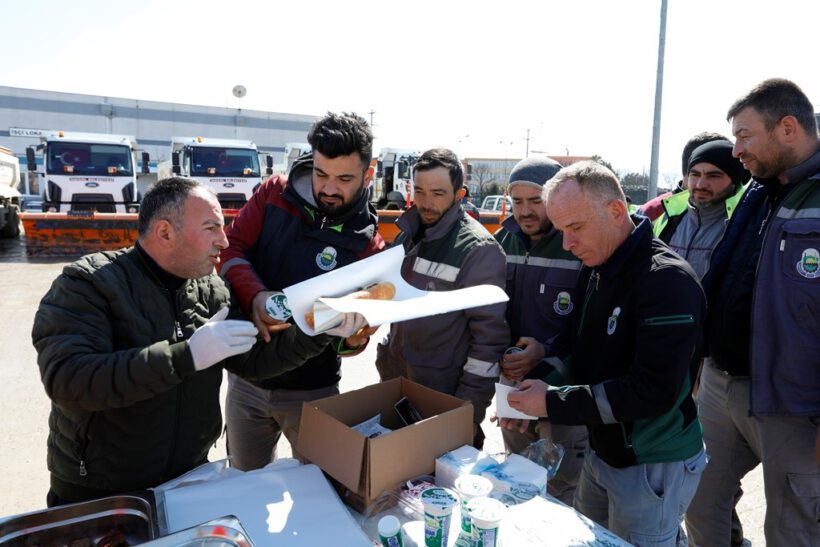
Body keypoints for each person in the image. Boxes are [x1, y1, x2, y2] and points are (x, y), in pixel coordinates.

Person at [31, 177, 339, 506]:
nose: (224, 241)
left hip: (189, 480)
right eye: (212, 228)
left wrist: (318, 329)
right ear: (165, 232)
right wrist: (185, 356)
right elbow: (70, 381)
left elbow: (255, 361)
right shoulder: (88, 285)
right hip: (101, 489)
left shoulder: (211, 290)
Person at [506, 160, 708, 546]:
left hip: (651, 463)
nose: (566, 243)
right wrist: (536, 388)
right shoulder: (597, 264)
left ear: (616, 211)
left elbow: (651, 391)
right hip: (603, 451)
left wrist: (550, 403)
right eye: (561, 229)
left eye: (575, 228)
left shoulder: (666, 281)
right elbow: (576, 346)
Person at [685, 78, 820, 547]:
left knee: (793, 527)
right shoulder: (758, 194)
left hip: (795, 405)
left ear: (787, 127)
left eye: (744, 135)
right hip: (721, 386)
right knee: (698, 502)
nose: (736, 150)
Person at [218, 112, 385, 470]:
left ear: (367, 175)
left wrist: (354, 338)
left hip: (314, 391)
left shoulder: (369, 247)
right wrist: (256, 296)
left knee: (320, 493)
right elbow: (229, 250)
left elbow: (357, 336)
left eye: (344, 179)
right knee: (243, 484)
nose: (328, 188)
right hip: (248, 379)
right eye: (321, 174)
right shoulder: (272, 194)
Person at [375, 148, 508, 449]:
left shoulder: (479, 250)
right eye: (419, 191)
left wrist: (467, 412)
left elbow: (488, 341)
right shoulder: (407, 235)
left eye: (437, 193)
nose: (426, 202)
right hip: (400, 386)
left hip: (444, 397)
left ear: (459, 194)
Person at [491, 156, 587, 504]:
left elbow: (590, 327)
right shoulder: (501, 241)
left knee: (563, 492)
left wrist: (544, 354)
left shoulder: (577, 246)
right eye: (518, 201)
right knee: (515, 480)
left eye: (536, 201)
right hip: (511, 387)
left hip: (562, 391)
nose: (525, 211)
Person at [654, 140, 747, 279]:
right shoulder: (668, 218)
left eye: (713, 176)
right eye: (695, 174)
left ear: (734, 181)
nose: (700, 184)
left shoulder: (745, 223)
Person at [639, 132, 732, 221]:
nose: (701, 184)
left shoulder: (736, 212)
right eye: (713, 175)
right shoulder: (651, 213)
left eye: (714, 176)